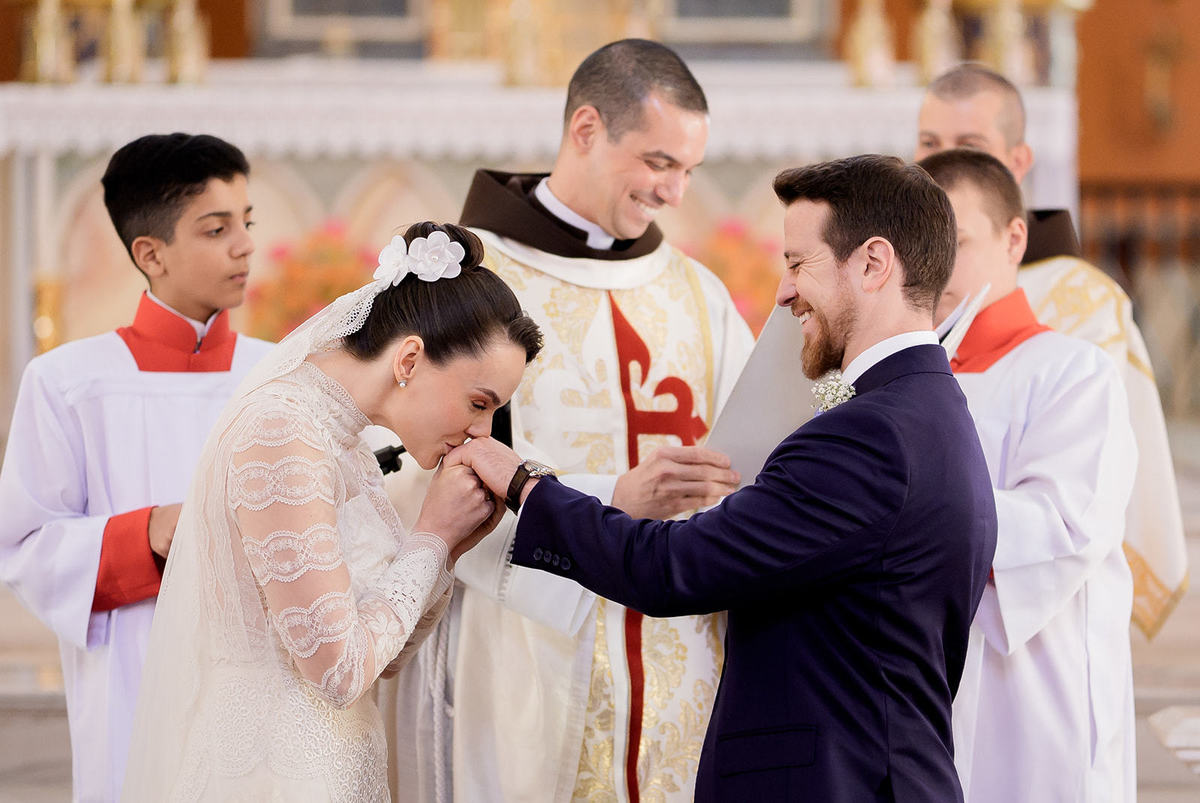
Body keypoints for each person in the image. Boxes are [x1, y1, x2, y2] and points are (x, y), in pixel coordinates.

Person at [445, 154, 998, 802]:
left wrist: (525, 484)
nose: (784, 293)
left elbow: (669, 568)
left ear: (873, 263)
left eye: (799, 263)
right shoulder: (933, 410)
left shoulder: (867, 436)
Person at [386, 39, 755, 803]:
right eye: (658, 162)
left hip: (687, 660)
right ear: (586, 129)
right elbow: (409, 471)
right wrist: (609, 497)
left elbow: (758, 457)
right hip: (525, 657)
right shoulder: (468, 280)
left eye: (688, 170)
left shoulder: (700, 295)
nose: (675, 192)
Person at [120, 222, 543, 801]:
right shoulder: (280, 432)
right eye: (478, 402)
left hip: (333, 767)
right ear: (410, 359)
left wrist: (448, 547)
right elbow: (339, 673)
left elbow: (382, 660)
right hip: (270, 777)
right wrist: (432, 536)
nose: (482, 432)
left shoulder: (348, 445)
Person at [0, 133, 274, 802]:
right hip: (134, 676)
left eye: (247, 222)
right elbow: (25, 546)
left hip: (263, 676)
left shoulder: (279, 374)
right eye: (216, 229)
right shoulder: (69, 382)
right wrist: (147, 532)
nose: (244, 246)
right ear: (151, 253)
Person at [914, 62, 1187, 637]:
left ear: (1018, 161)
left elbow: (1079, 488)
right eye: (930, 143)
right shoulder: (908, 282)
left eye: (970, 145)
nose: (944, 159)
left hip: (1034, 605)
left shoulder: (1079, 303)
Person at [919, 148, 1138, 802]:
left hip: (1033, 687)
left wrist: (908, 514)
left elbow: (1064, 525)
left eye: (956, 243)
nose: (934, 267)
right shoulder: (895, 379)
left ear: (1014, 238)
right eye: (920, 245)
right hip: (918, 683)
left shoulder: (1073, 371)